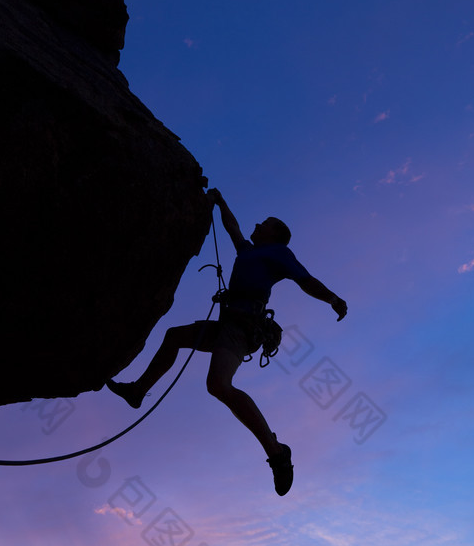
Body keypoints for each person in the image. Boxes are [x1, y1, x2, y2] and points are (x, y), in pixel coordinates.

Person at [106, 189, 348, 496]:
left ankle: (276, 452)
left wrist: (333, 299)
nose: (258, 224)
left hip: (242, 329)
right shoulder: (247, 251)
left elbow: (306, 280)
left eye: (265, 223)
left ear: (275, 235)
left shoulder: (279, 254)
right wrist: (220, 201)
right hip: (227, 324)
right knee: (174, 336)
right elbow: (232, 227)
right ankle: (138, 390)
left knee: (218, 385)